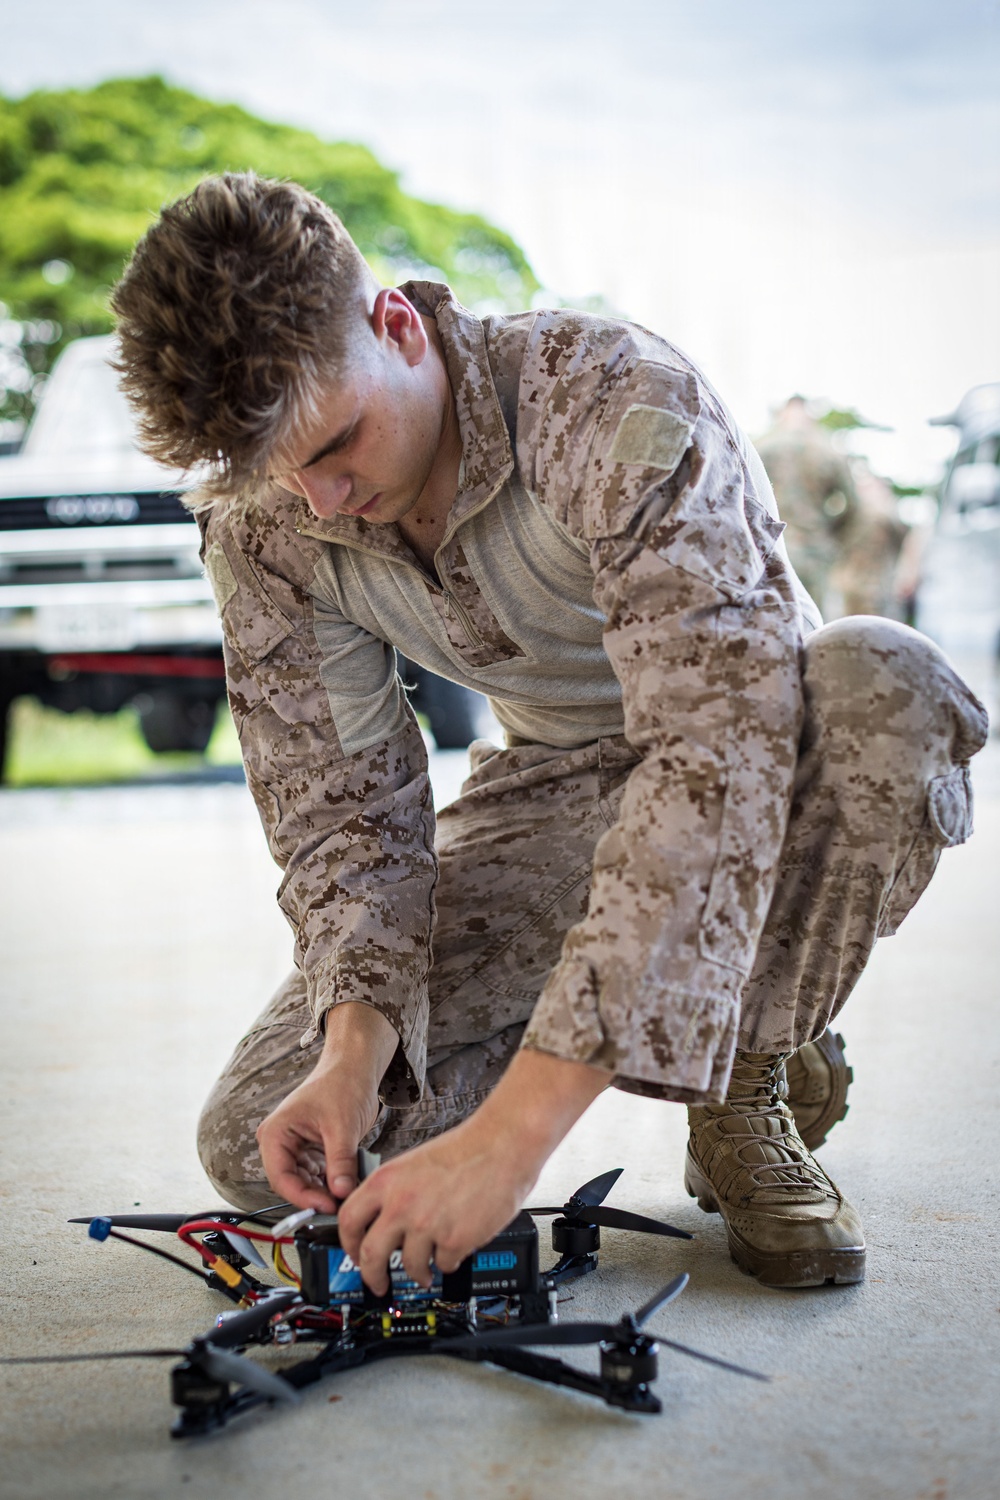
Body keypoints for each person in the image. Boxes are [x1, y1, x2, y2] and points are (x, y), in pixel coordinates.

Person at [111, 174, 987, 1296]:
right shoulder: (269, 513)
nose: (321, 503)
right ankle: (687, 1018)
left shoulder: (607, 397)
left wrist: (510, 1139)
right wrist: (353, 1041)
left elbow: (712, 759)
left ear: (396, 327)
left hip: (768, 760)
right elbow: (340, 809)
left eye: (335, 447)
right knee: (263, 1146)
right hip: (552, 786)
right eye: (283, 475)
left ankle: (745, 1075)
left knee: (887, 682)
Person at [755, 396, 858, 618]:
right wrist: (830, 529)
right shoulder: (829, 451)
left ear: (783, 413)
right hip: (815, 549)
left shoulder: (763, 447)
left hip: (771, 545)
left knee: (769, 617)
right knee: (812, 622)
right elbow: (852, 503)